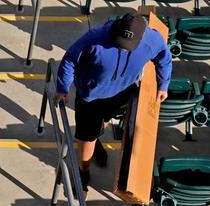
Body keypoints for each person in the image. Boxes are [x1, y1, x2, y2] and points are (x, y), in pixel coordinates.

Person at [54, 11, 171, 191]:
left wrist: (163, 85)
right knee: (87, 138)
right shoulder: (95, 38)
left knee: (103, 122)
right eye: (119, 42)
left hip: (121, 92)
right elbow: (70, 59)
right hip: (90, 97)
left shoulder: (152, 40)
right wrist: (63, 88)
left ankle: (96, 137)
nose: (123, 47)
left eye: (128, 45)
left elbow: (164, 56)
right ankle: (82, 170)